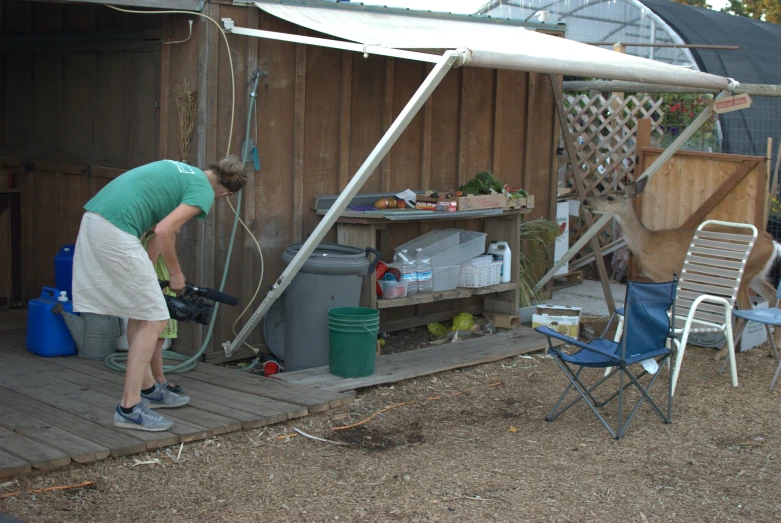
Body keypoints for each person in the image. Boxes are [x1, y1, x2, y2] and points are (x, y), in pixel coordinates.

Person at [71, 157, 247, 432]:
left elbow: (156, 232)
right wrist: (176, 274)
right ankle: (129, 408)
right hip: (116, 230)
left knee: (143, 312)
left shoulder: (184, 171)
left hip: (99, 220)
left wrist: (150, 276)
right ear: (227, 193)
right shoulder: (203, 191)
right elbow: (166, 231)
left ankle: (149, 388)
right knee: (155, 318)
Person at [141, 230, 184, 395]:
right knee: (156, 340)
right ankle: (158, 380)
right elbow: (149, 265)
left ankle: (154, 378)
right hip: (160, 292)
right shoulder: (157, 240)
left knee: (158, 339)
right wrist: (158, 292)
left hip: (163, 290)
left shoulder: (159, 239)